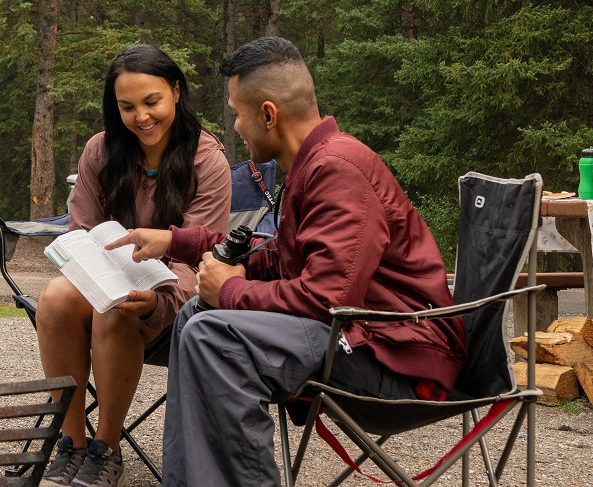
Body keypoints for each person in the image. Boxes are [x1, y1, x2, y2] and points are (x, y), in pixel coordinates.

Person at [108, 36, 461, 486]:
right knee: (197, 316)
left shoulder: (339, 170)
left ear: (269, 114)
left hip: (397, 354)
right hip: (360, 333)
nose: (234, 126)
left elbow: (329, 297)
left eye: (237, 113)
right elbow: (275, 257)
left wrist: (231, 290)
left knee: (218, 336)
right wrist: (178, 241)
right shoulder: (313, 165)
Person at [35, 44, 231, 487]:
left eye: (151, 102)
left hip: (172, 292)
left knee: (116, 307)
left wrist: (157, 301)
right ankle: (71, 445)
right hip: (103, 275)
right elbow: (80, 233)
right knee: (54, 297)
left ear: (176, 91)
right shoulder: (100, 151)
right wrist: (93, 269)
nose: (141, 116)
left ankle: (106, 448)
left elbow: (202, 253)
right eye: (127, 106)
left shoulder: (206, 159)